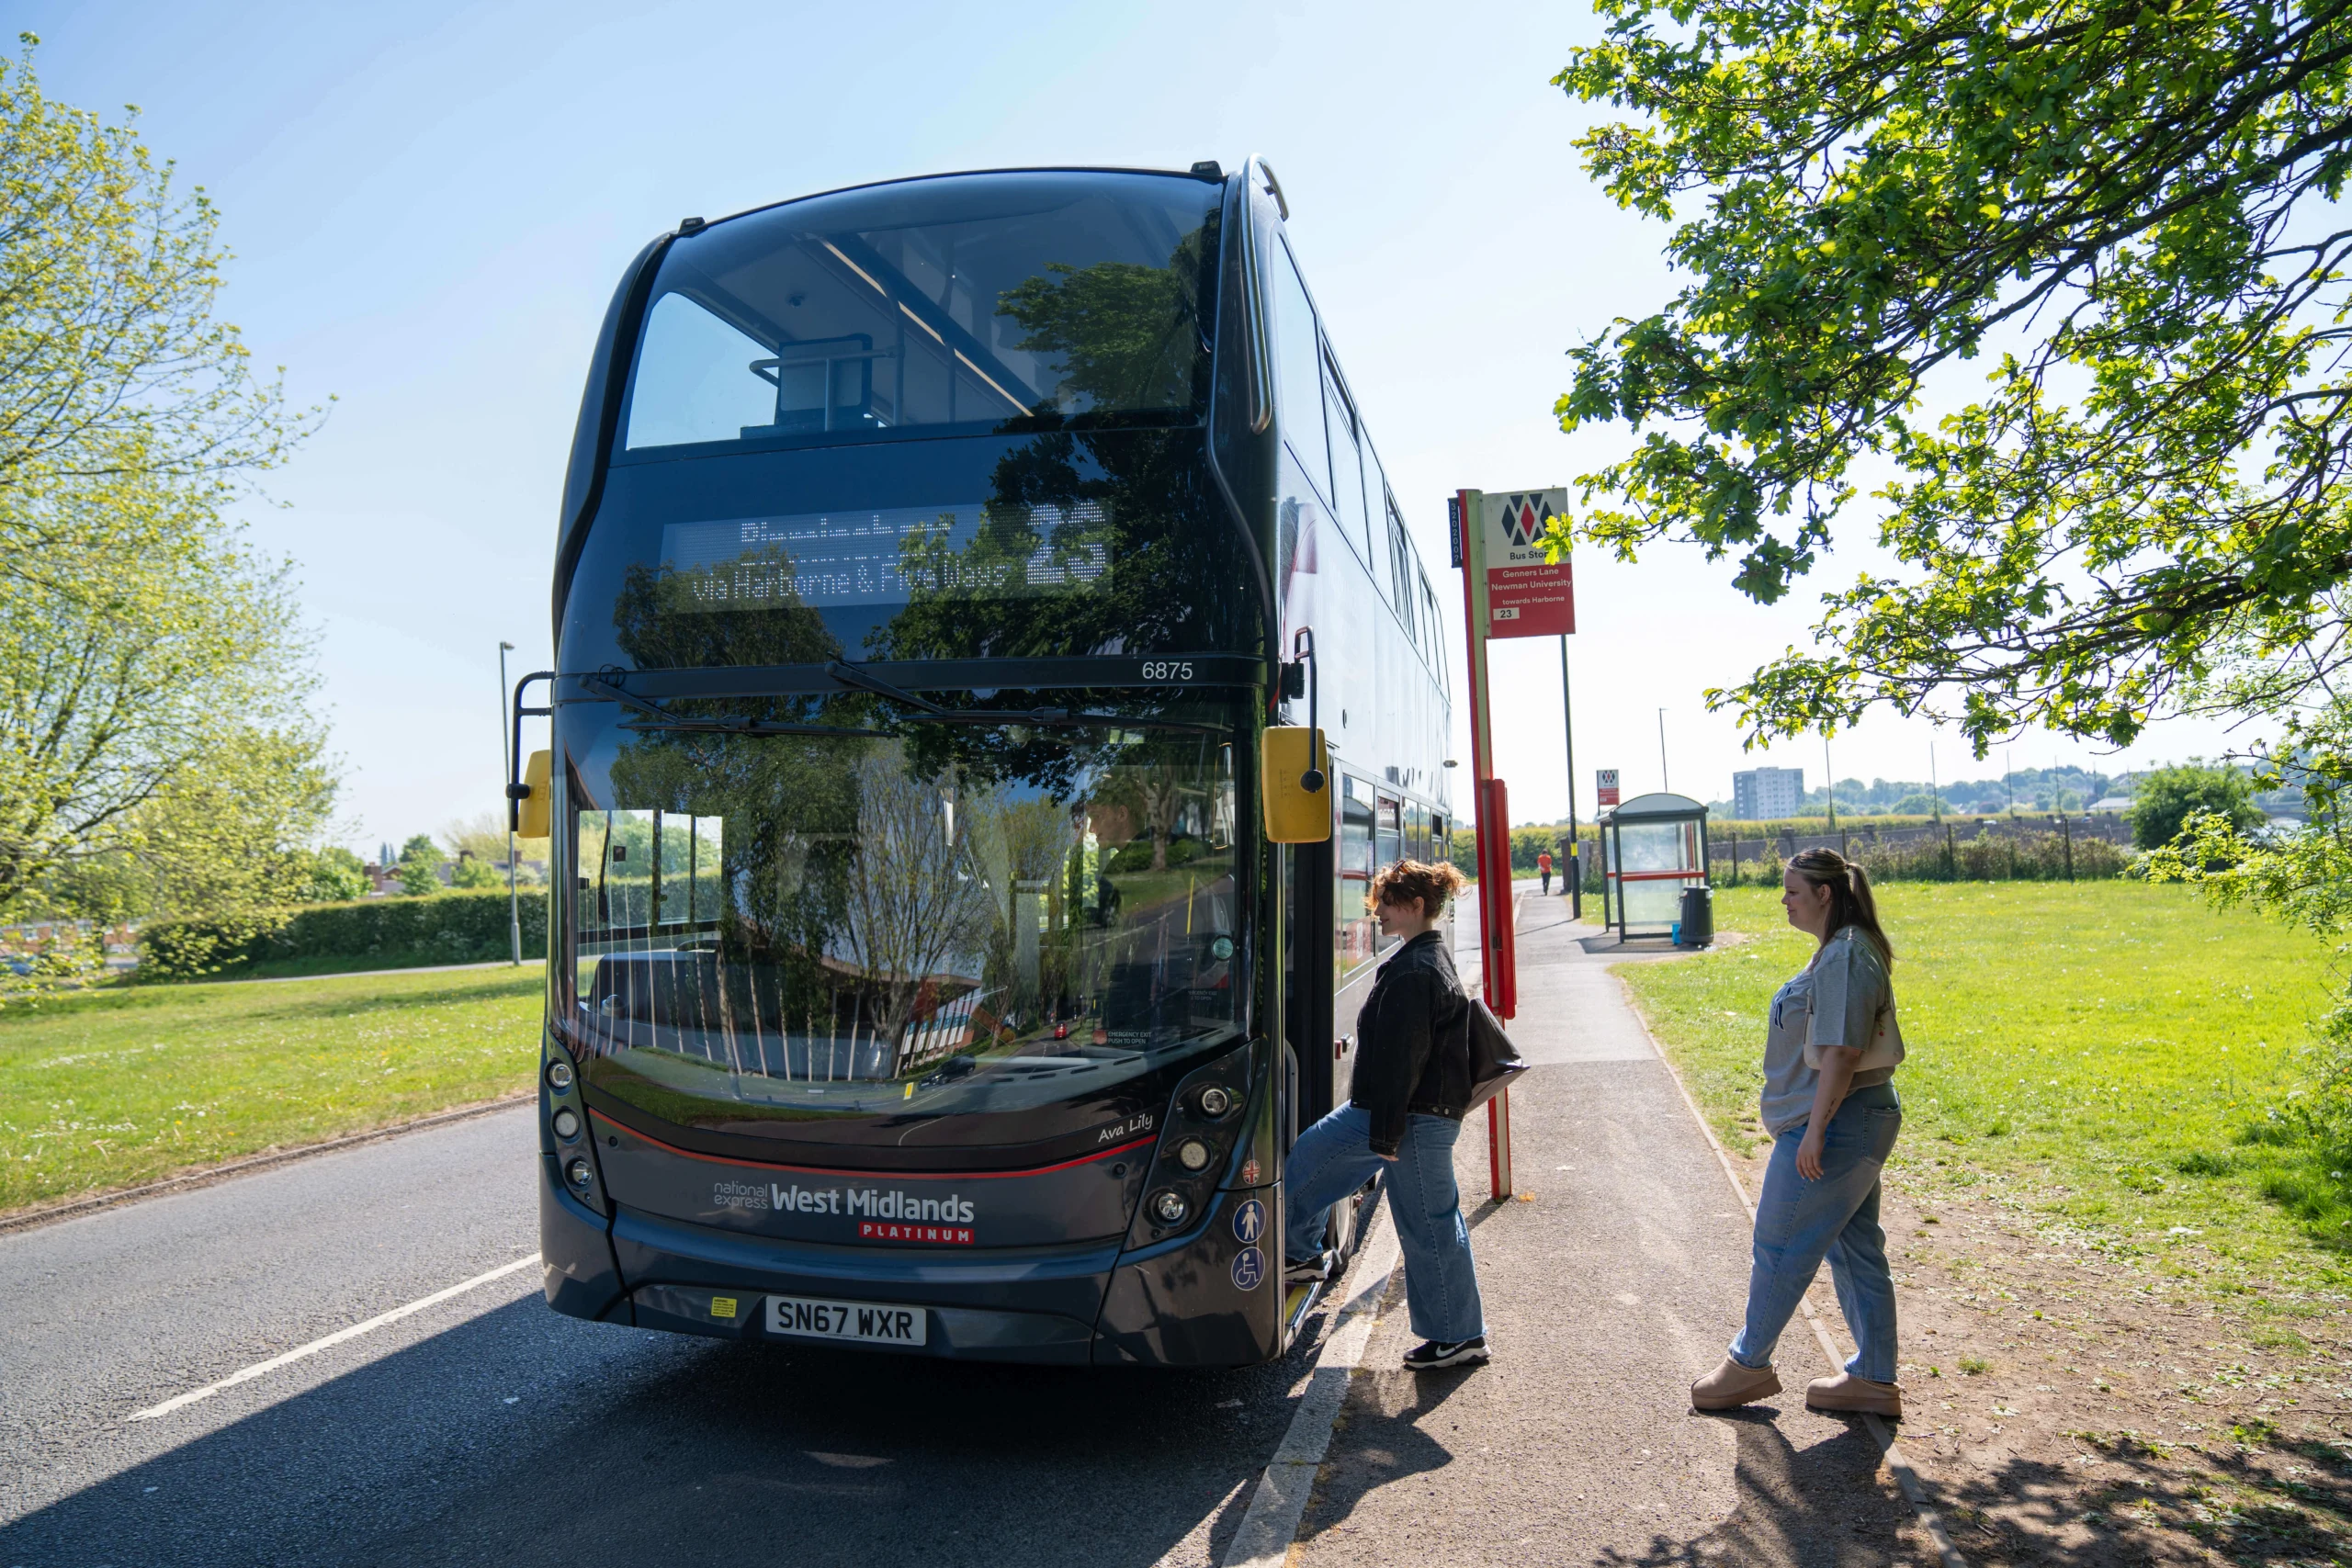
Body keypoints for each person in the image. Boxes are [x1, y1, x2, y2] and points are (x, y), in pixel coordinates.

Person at [1691, 848, 1906, 1419]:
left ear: (1824, 895)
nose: (1783, 901)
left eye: (1792, 891)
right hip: (1846, 1118)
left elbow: (1842, 1050)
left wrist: (1813, 1133)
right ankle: (1874, 1379)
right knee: (1856, 1248)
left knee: (1779, 1244)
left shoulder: (1845, 955)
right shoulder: (1841, 951)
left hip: (1835, 1122)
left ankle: (1748, 1365)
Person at [1283, 858, 1487, 1371]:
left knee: (1427, 1224)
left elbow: (1403, 1062)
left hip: (1405, 1117)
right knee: (1429, 1220)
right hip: (1408, 1114)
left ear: (1417, 906)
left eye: (1388, 903)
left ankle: (1458, 1337)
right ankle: (1302, 1255)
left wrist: (1386, 1138)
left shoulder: (1417, 970)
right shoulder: (1422, 957)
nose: (1379, 911)